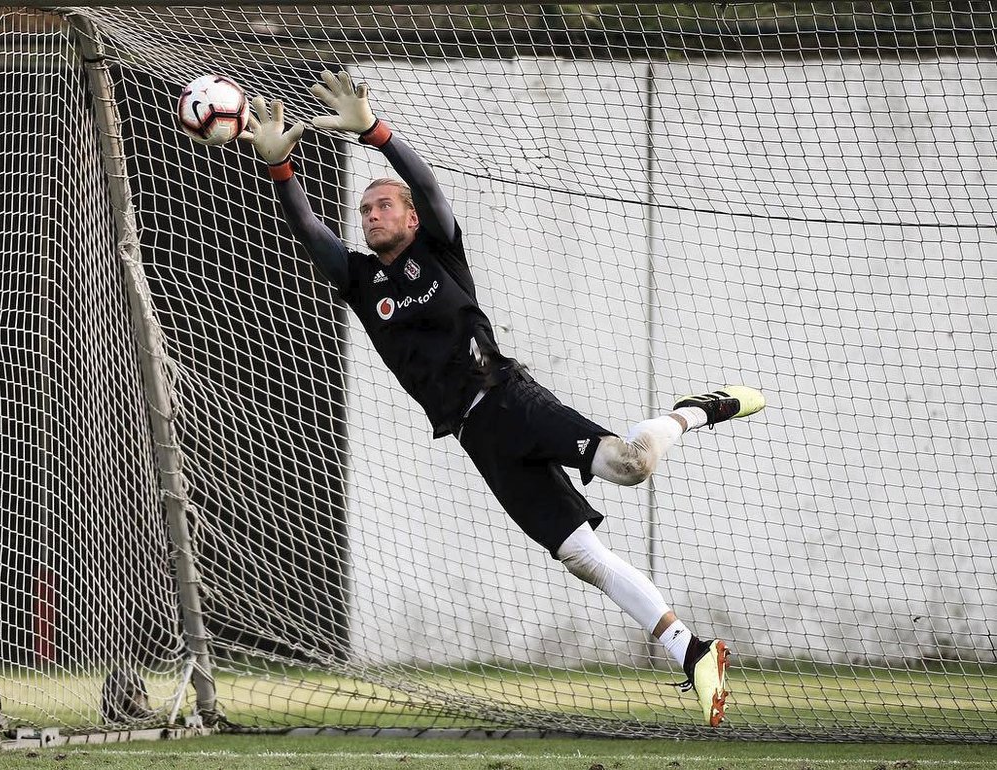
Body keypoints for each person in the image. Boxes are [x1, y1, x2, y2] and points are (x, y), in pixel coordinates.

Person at [240, 70, 765, 728]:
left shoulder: (440, 251)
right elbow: (309, 230)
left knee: (631, 465)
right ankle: (693, 652)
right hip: (475, 436)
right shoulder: (357, 277)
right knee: (579, 556)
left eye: (384, 206)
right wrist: (280, 167)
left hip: (511, 398)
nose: (372, 215)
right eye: (365, 209)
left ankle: (697, 409)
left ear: (408, 216)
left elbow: (427, 185)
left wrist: (377, 134)